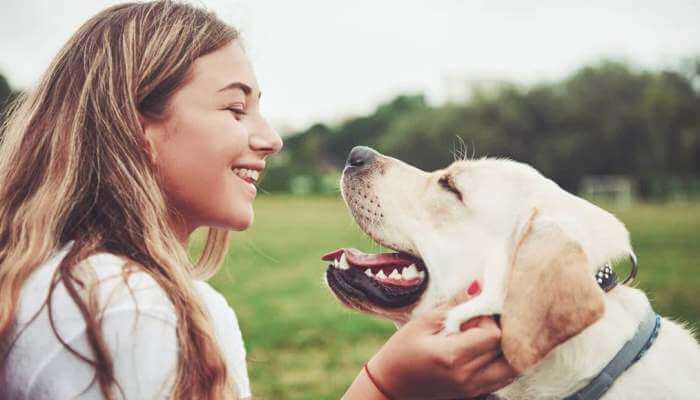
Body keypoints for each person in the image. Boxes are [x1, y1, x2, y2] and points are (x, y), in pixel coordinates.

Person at [0, 2, 517, 399]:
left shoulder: (51, 279)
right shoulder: (133, 308)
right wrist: (386, 385)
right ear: (137, 129)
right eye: (235, 108)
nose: (271, 138)